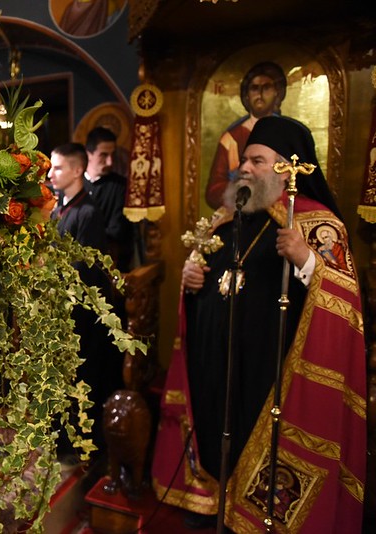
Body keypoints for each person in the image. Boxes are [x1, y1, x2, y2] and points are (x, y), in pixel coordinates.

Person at [152, 116, 365, 532]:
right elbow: (208, 276)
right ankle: (214, 499)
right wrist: (190, 281)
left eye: (257, 161)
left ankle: (252, 514)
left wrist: (306, 259)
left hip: (271, 369)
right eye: (244, 160)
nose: (244, 168)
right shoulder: (227, 218)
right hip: (218, 364)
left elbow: (346, 304)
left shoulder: (317, 225)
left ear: (287, 170)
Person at [49, 142, 123, 457]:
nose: (51, 174)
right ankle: (60, 436)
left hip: (80, 312)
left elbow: (84, 267)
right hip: (59, 306)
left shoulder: (88, 212)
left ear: (77, 170)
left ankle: (78, 442)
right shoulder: (59, 207)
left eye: (58, 167)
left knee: (82, 376)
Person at [205, 61, 287, 209]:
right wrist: (243, 191)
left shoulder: (287, 133)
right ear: (247, 95)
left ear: (277, 92)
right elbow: (214, 190)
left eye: (266, 87)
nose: (260, 94)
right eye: (254, 88)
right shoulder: (231, 138)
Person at [84, 126, 134, 272]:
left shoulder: (121, 186)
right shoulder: (75, 183)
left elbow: (116, 231)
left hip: (108, 264)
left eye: (112, 155)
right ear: (89, 154)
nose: (110, 162)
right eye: (103, 155)